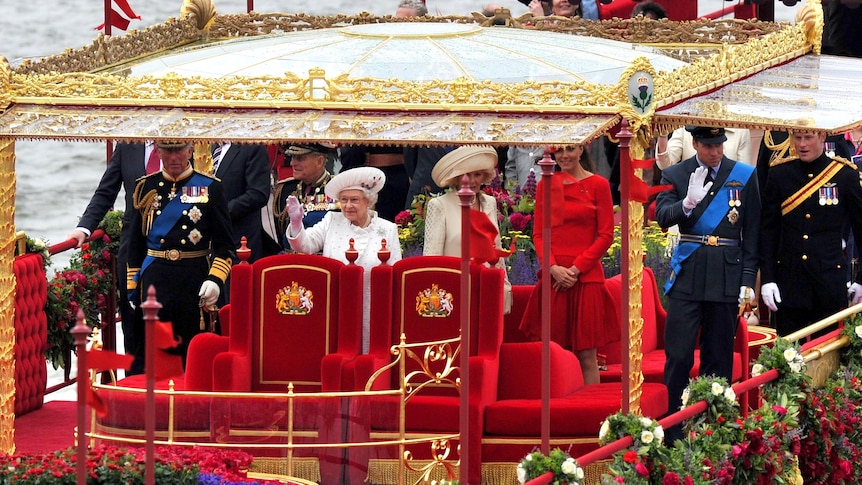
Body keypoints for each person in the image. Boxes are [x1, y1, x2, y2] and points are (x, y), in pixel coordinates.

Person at [654, 126, 760, 427]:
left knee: (718, 357)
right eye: (708, 146)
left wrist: (747, 280)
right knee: (678, 356)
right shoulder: (675, 174)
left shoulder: (743, 174)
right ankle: (673, 429)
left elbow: (752, 233)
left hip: (726, 276)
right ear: (695, 143)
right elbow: (662, 217)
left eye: (719, 145)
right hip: (687, 276)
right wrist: (685, 203)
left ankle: (715, 429)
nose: (715, 152)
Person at [126, 140, 234, 372]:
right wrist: (133, 287)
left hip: (193, 280)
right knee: (153, 358)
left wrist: (214, 280)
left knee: (193, 353)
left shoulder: (210, 187)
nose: (174, 157)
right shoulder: (145, 187)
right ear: (158, 151)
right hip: (155, 280)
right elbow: (134, 245)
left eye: (179, 150)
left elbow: (225, 247)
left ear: (191, 149)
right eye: (167, 151)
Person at [518, 144, 616, 385]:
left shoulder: (599, 185)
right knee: (553, 354)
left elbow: (606, 235)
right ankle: (555, 416)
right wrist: (552, 268)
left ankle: (589, 416)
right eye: (558, 151)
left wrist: (575, 269)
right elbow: (540, 234)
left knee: (587, 357)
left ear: (582, 150)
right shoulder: (545, 185)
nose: (564, 156)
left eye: (570, 149)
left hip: (585, 278)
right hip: (554, 278)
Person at [285, 166, 402, 353]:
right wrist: (296, 223)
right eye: (344, 200)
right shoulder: (332, 220)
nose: (348, 206)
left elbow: (395, 271)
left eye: (354, 200)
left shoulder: (387, 229)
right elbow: (305, 245)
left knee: (370, 355)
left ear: (368, 202)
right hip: (337, 304)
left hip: (372, 307)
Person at [760, 130, 862, 337]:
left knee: (826, 357)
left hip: (828, 280)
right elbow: (768, 231)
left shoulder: (844, 175)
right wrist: (768, 278)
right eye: (797, 138)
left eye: (808, 138)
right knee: (788, 356)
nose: (802, 144)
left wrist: (861, 279)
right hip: (789, 281)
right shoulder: (780, 173)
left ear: (822, 137)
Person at [68, 142, 151, 364]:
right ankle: (134, 384)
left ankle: (175, 385)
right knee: (132, 318)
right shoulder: (128, 146)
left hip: (175, 248)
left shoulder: (184, 144)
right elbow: (106, 190)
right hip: (134, 246)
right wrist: (85, 227)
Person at [423, 145, 513, 314]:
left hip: (486, 293)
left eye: (477, 175)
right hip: (452, 296)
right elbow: (431, 258)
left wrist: (504, 287)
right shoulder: (439, 205)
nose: (472, 181)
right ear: (457, 178)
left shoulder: (490, 203)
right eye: (467, 175)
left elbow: (497, 250)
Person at [210, 142, 275, 264]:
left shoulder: (252, 147)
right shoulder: (210, 147)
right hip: (212, 240)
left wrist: (221, 212)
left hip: (239, 241)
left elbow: (258, 193)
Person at [272, 143, 338, 248]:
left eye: (300, 158)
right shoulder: (285, 190)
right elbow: (282, 237)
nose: (292, 163)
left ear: (319, 161)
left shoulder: (338, 190)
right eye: (292, 157)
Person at [656, 126, 752, 169]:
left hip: (725, 198)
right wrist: (662, 135)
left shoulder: (740, 130)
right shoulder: (685, 127)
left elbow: (743, 174)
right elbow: (665, 165)